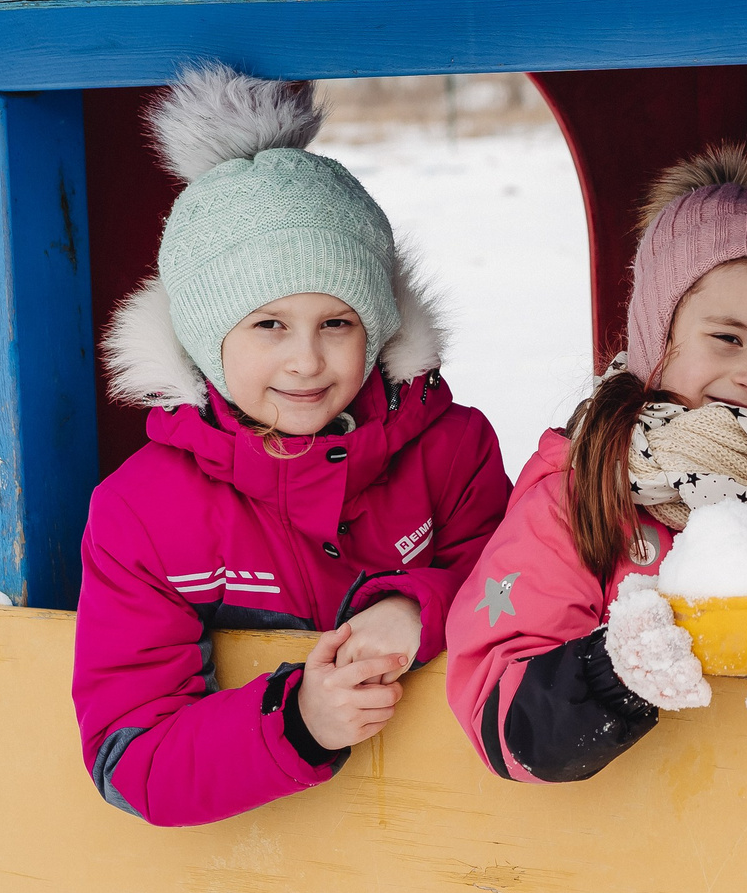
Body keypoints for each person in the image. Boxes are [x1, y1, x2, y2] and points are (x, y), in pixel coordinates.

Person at [73, 64, 510, 826]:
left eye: (337, 323)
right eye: (268, 325)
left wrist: (415, 607)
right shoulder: (141, 512)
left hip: (459, 842)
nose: (307, 360)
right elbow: (129, 750)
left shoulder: (452, 448)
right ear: (208, 340)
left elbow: (512, 580)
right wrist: (298, 719)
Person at [447, 145, 747, 782]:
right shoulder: (581, 487)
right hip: (627, 845)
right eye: (728, 338)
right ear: (658, 335)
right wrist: (614, 670)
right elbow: (499, 711)